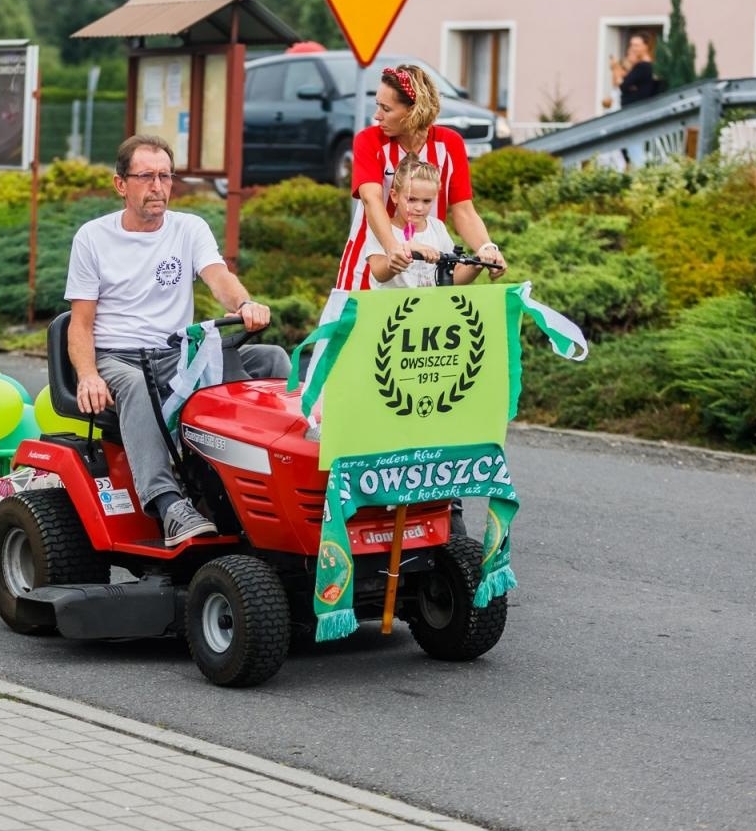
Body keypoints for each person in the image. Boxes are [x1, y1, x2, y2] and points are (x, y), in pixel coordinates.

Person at [66, 134, 291, 546]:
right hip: (120, 358)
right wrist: (87, 375)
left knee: (270, 360)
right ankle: (169, 504)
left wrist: (244, 304)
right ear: (121, 184)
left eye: (166, 176)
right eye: (147, 176)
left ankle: (268, 481)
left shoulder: (190, 228)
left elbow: (218, 278)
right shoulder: (92, 238)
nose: (158, 186)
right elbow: (79, 323)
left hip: (176, 353)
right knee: (136, 385)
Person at [336, 63, 507, 292]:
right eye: (378, 106)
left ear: (414, 110)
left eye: (386, 109)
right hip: (371, 262)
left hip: (423, 270)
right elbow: (371, 199)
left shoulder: (450, 144)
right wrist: (393, 248)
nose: (377, 116)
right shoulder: (369, 140)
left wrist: (487, 249)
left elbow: (463, 209)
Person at [362, 155, 484, 289]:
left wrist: (476, 265)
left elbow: (452, 277)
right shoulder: (382, 227)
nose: (419, 208)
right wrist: (407, 250)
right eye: (411, 199)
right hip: (391, 308)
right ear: (394, 196)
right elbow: (379, 273)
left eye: (426, 201)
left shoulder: (437, 227)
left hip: (428, 307)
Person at [611, 33, 661, 166]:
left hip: (634, 112)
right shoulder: (643, 67)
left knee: (634, 145)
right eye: (631, 45)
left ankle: (640, 176)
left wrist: (626, 83)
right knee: (630, 146)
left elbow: (623, 85)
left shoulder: (643, 67)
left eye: (637, 45)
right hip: (633, 111)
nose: (633, 48)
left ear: (646, 46)